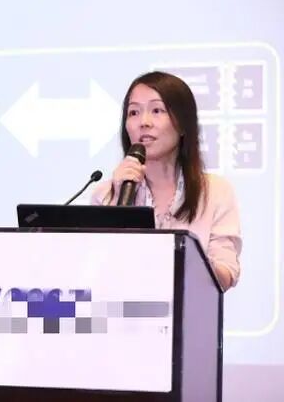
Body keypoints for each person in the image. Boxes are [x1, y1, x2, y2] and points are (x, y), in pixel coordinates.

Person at [91, 71, 241, 291]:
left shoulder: (216, 192)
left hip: (189, 310)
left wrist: (186, 260)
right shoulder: (106, 194)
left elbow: (226, 274)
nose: (144, 122)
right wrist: (117, 202)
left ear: (182, 124)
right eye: (134, 112)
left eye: (157, 110)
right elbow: (98, 272)